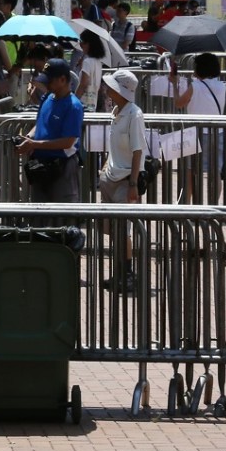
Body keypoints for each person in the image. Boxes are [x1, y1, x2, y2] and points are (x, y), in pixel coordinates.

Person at [98, 70, 144, 293]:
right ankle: (120, 272)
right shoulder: (116, 111)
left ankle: (127, 273)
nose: (106, 90)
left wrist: (134, 184)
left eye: (110, 87)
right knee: (113, 229)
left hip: (126, 180)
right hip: (110, 176)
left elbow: (138, 151)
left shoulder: (134, 115)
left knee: (122, 229)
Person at [15, 58, 84, 203]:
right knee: (39, 215)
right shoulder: (47, 97)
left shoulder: (73, 106)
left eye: (50, 80)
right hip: (41, 166)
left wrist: (34, 144)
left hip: (62, 167)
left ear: (63, 80)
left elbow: (68, 141)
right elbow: (40, 123)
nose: (46, 83)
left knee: (61, 217)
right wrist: (29, 137)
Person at [173, 52, 226, 201]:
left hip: (194, 133)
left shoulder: (195, 86)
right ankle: (214, 205)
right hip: (217, 131)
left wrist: (174, 85)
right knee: (215, 171)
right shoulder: (222, 86)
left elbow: (179, 103)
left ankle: (185, 204)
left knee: (190, 171)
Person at [74, 29, 106, 112]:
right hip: (93, 103)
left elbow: (83, 84)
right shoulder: (98, 62)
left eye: (83, 42)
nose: (80, 44)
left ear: (89, 44)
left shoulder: (87, 62)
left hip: (83, 104)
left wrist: (74, 100)